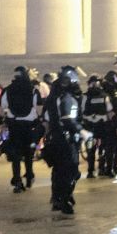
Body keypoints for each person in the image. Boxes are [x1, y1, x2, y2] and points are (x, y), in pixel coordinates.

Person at [42, 66, 81, 214]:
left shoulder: (53, 98)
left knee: (58, 170)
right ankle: (64, 198)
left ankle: (58, 197)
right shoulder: (66, 98)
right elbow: (70, 119)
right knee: (70, 169)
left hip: (56, 136)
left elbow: (45, 120)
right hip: (66, 137)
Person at [1, 66, 41, 193]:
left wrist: (2, 122)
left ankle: (17, 181)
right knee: (29, 153)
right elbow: (39, 109)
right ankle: (29, 177)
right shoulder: (33, 90)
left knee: (15, 155)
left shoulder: (8, 90)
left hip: (14, 125)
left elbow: (1, 109)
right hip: (29, 126)